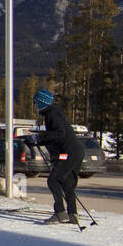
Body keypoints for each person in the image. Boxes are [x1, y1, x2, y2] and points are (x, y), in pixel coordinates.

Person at [27, 89, 83, 224]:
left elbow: (59, 133)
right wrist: (38, 141)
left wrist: (39, 137)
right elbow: (56, 136)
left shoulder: (52, 114)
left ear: (41, 102)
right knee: (67, 183)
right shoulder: (54, 112)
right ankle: (73, 214)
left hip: (68, 152)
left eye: (35, 102)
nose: (34, 105)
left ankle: (60, 213)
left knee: (53, 180)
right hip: (75, 151)